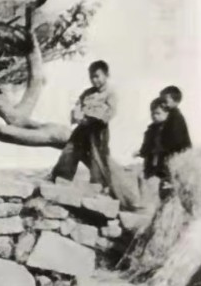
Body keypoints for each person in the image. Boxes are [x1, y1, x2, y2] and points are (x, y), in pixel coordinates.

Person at [52, 60, 139, 210]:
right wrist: (77, 115)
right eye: (92, 77)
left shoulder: (110, 93)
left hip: (98, 128)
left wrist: (96, 115)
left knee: (97, 155)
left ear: (107, 75)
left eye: (98, 76)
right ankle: (62, 178)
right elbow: (77, 106)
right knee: (71, 149)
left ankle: (98, 186)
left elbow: (110, 112)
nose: (95, 80)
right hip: (83, 126)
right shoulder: (87, 93)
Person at [139, 96, 193, 201]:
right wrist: (143, 151)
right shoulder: (151, 130)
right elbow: (147, 144)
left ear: (167, 114)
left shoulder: (171, 129)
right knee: (153, 186)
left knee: (168, 186)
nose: (154, 116)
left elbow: (176, 146)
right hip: (154, 163)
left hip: (167, 164)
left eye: (158, 113)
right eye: (152, 113)